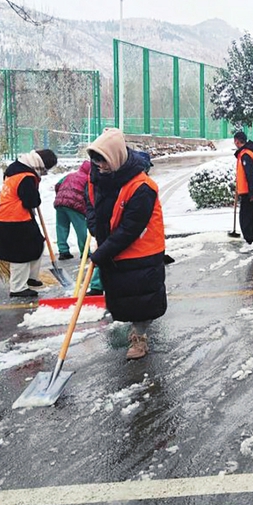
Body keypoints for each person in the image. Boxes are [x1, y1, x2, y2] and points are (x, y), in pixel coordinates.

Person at [86, 128, 167, 360]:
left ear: (116, 157)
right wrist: (95, 229)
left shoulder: (142, 187)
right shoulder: (98, 178)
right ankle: (136, 329)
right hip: (112, 248)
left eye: (103, 160)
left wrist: (102, 252)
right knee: (123, 300)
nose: (99, 165)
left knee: (142, 302)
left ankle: (140, 338)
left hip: (140, 252)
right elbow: (90, 204)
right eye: (95, 160)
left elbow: (131, 229)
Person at [0, 149, 58, 298]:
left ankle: (30, 278)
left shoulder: (14, 170)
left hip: (10, 218)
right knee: (20, 254)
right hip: (14, 220)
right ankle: (18, 288)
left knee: (37, 243)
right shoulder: (26, 176)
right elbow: (31, 200)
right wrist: (36, 195)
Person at [233, 130, 253, 253]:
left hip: (250, 192)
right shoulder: (248, 153)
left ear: (237, 141)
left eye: (235, 141)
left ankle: (250, 241)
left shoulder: (246, 154)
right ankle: (252, 239)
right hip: (250, 191)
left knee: (245, 217)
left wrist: (252, 193)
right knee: (250, 216)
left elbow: (250, 175)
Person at [54, 160, 91, 260]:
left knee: (61, 226)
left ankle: (63, 251)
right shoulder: (87, 179)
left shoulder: (69, 175)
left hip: (60, 202)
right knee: (80, 228)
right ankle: (85, 251)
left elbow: (57, 185)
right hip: (75, 205)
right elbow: (89, 195)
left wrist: (60, 195)